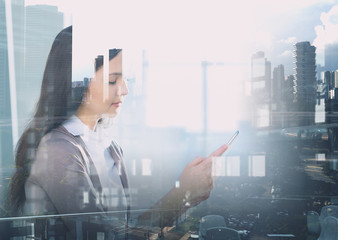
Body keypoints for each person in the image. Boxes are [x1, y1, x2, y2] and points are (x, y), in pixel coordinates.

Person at [8, 25, 228, 239]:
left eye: (125, 79)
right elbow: (103, 235)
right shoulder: (57, 149)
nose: (125, 90)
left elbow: (128, 229)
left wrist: (187, 196)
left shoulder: (110, 148)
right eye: (113, 79)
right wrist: (182, 194)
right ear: (78, 82)